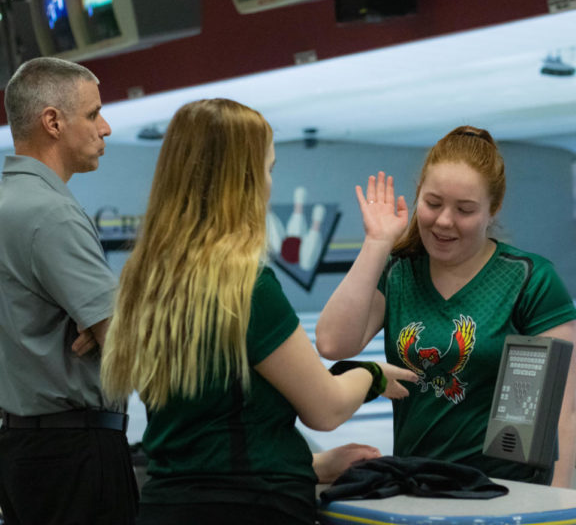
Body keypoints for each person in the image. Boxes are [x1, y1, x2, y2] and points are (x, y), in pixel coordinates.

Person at [100, 98, 418, 525]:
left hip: (166, 505)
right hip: (254, 509)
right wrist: (372, 375)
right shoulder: (245, 285)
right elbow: (324, 410)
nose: (270, 183)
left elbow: (208, 434)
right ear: (244, 178)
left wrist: (314, 467)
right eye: (269, 169)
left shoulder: (147, 280)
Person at [315, 125, 576, 487]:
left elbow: (561, 413)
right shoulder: (399, 271)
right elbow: (333, 344)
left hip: (507, 493)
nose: (443, 221)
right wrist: (377, 243)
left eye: (465, 210)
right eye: (433, 203)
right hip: (415, 487)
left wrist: (557, 508)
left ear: (493, 209)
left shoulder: (530, 279)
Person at [0, 57, 138, 525]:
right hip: (73, 454)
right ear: (53, 122)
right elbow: (129, 348)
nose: (107, 127)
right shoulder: (51, 214)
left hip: (22, 448)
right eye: (94, 113)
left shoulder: (6, 203)